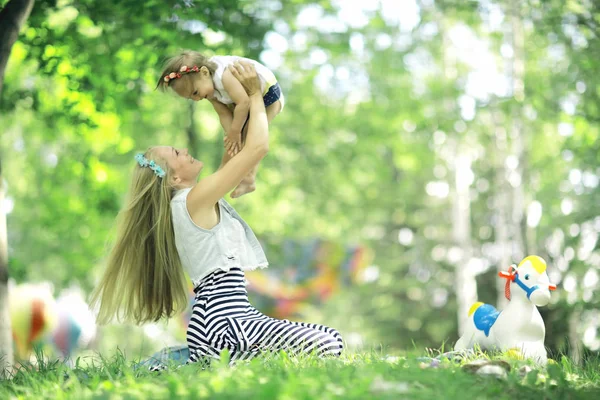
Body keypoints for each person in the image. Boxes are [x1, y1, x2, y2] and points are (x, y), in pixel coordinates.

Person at [90, 62, 342, 370]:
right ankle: (225, 358)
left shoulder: (193, 201)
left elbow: (236, 154)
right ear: (173, 179)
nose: (184, 149)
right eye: (176, 154)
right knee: (329, 344)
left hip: (229, 318)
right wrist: (254, 97)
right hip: (225, 322)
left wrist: (230, 107)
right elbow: (257, 147)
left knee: (328, 339)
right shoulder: (192, 201)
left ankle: (223, 358)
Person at [157, 51, 284, 198]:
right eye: (191, 97)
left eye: (195, 92)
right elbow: (223, 113)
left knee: (251, 133)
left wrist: (235, 132)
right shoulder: (208, 89)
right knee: (236, 141)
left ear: (204, 72)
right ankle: (228, 177)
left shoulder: (223, 75)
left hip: (269, 95)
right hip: (250, 100)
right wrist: (232, 136)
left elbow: (244, 103)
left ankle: (249, 178)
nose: (197, 99)